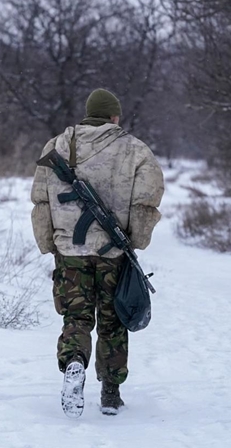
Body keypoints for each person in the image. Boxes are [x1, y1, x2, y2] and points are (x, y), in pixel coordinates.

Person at [30, 88, 165, 416]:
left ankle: (74, 362)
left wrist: (49, 243)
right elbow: (146, 201)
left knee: (75, 317)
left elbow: (41, 201)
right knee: (112, 321)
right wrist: (135, 241)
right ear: (114, 116)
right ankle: (110, 392)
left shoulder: (58, 145)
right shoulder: (134, 149)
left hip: (69, 252)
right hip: (113, 254)